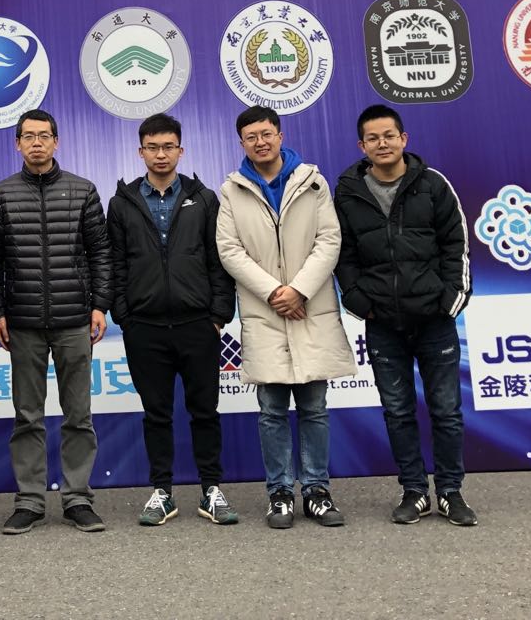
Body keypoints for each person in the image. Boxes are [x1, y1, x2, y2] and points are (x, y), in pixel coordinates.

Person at [333, 104, 476, 527]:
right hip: (383, 324)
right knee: (397, 412)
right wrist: (359, 302)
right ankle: (414, 492)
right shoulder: (348, 193)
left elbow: (456, 245)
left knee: (446, 410)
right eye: (373, 138)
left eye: (389, 136)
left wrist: (449, 302)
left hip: (435, 322)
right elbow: (343, 254)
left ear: (403, 139)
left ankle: (450, 492)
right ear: (362, 145)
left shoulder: (433, 185)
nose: (382, 144)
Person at [217, 105, 354, 530]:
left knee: (314, 408)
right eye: (251, 137)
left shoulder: (312, 181)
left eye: (266, 134)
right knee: (272, 411)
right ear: (242, 143)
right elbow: (229, 250)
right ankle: (279, 493)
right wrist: (275, 293)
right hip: (265, 311)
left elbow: (329, 239)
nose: (260, 142)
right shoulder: (232, 190)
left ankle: (316, 490)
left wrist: (299, 290)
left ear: (279, 135)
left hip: (310, 307)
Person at [107, 113, 238, 527]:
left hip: (198, 324)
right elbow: (115, 264)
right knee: (156, 413)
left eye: (168, 147)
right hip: (144, 327)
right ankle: (162, 492)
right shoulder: (123, 202)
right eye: (152, 147)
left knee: (205, 411)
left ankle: (211, 490)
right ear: (140, 151)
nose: (160, 154)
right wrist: (125, 316)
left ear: (180, 150)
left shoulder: (204, 199)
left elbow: (219, 261)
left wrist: (218, 315)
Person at [0, 109, 112, 533]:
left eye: (44, 136)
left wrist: (99, 305)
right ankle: (29, 501)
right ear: (17, 144)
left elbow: (101, 252)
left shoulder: (82, 190)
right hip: (22, 322)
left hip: (75, 319)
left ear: (56, 141)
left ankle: (77, 498)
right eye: (28, 136)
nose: (36, 143)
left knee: (79, 414)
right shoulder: (0, 195)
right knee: (27, 416)